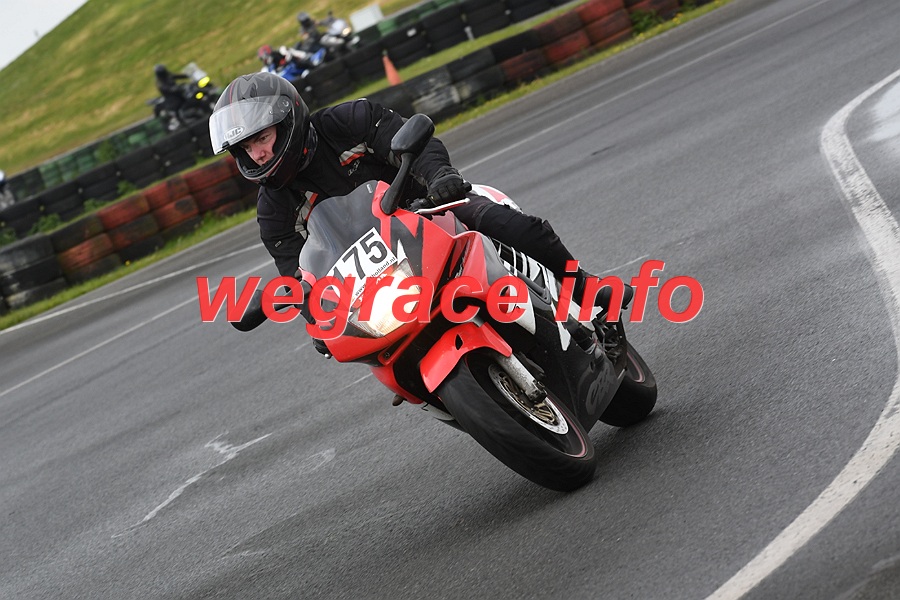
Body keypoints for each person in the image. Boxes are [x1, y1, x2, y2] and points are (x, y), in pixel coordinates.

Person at [207, 73, 630, 342]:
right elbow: (299, 276)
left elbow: (414, 142)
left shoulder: (348, 122)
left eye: (262, 138)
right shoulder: (273, 211)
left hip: (428, 211)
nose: (258, 153)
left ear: (289, 122)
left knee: (502, 223)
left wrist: (440, 176)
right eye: (247, 147)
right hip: (372, 275)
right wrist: (314, 315)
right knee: (351, 341)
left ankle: (586, 288)